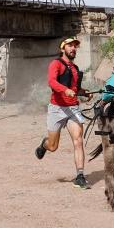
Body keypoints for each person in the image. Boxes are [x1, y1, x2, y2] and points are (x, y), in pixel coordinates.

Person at [35, 37, 93, 189]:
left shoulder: (75, 69)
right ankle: (44, 144)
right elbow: (52, 82)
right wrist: (65, 90)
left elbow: (75, 89)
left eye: (75, 46)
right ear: (63, 49)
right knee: (53, 146)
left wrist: (84, 93)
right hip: (56, 108)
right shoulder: (56, 64)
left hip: (72, 108)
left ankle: (80, 176)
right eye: (70, 46)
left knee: (78, 140)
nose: (73, 48)